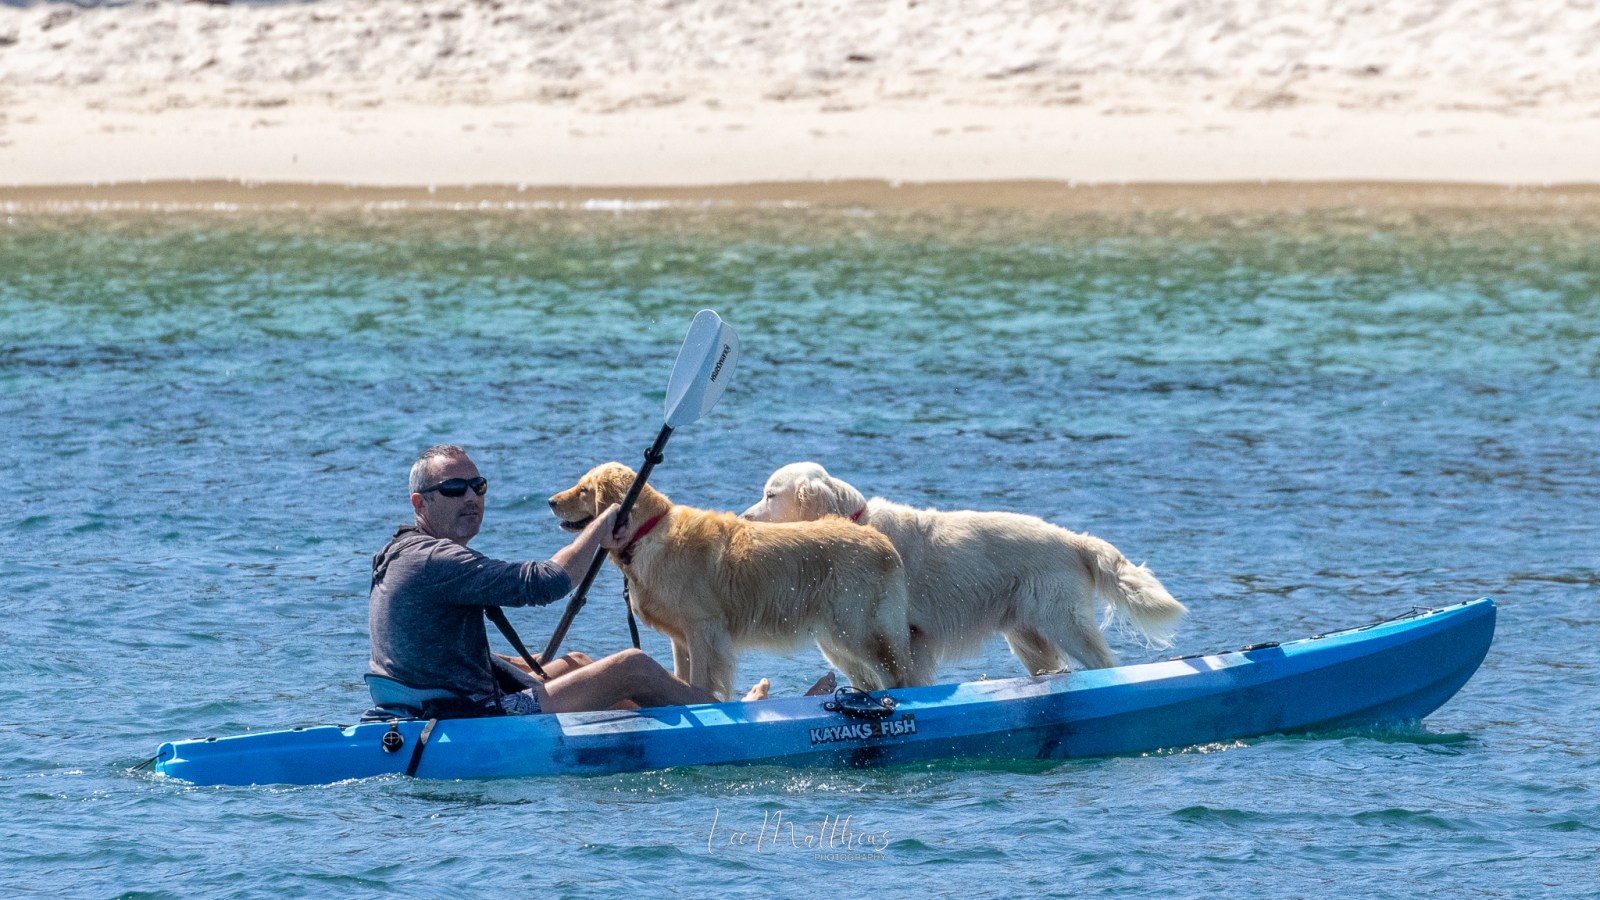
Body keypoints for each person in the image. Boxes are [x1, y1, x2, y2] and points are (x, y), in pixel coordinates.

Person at [369, 444, 769, 715]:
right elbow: (546, 582)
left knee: (574, 662)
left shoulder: (399, 551)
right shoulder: (436, 560)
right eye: (454, 489)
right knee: (633, 666)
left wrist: (509, 665)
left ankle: (665, 724)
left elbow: (431, 651)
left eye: (478, 486)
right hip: (470, 715)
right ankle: (724, 719)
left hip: (440, 695)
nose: (471, 498)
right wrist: (600, 526)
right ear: (420, 502)